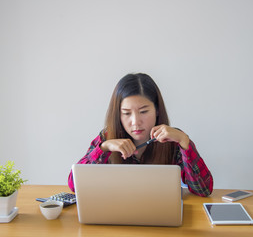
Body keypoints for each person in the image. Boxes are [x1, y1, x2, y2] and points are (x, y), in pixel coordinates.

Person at [68, 73, 213, 197]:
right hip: (116, 217)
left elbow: (204, 190)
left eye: (143, 112)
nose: (135, 122)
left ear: (157, 110)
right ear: (118, 115)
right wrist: (104, 147)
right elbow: (74, 185)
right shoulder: (108, 137)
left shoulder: (172, 140)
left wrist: (184, 141)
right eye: (126, 113)